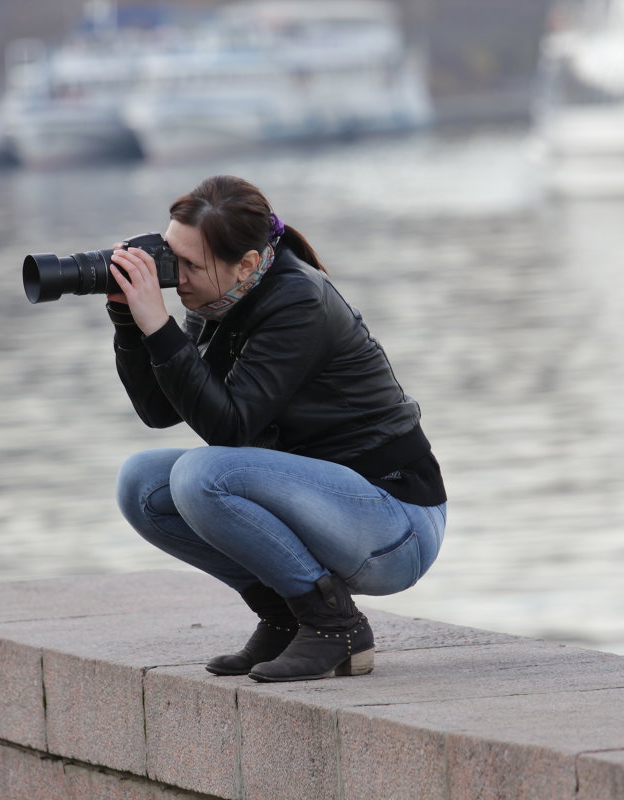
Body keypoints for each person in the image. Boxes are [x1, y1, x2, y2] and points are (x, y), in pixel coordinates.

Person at [106, 175, 446, 682]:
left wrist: (160, 327)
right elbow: (160, 411)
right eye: (171, 259)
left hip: (394, 521)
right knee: (142, 483)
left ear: (245, 263)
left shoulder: (297, 300)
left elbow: (231, 429)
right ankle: (289, 616)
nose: (175, 278)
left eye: (190, 265)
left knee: (203, 475)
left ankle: (334, 625)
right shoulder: (221, 298)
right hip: (331, 511)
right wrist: (129, 324)